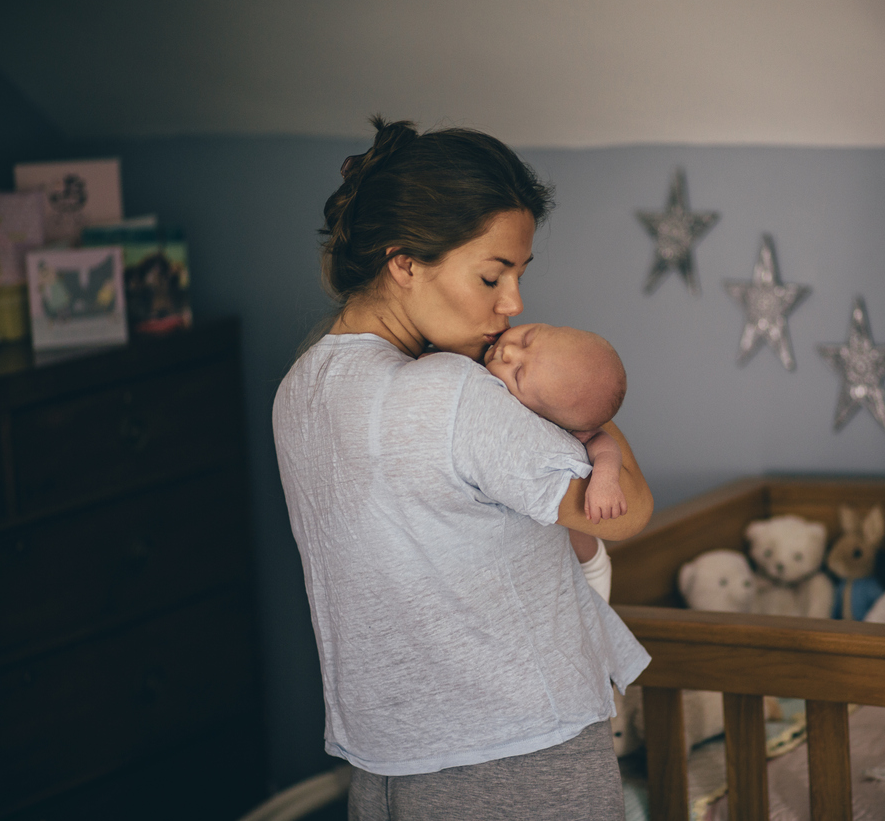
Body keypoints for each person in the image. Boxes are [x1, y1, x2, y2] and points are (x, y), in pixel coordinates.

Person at [272, 116, 653, 821]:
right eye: (491, 274)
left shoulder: (298, 391)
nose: (512, 305)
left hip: (385, 762)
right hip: (524, 753)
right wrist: (588, 414)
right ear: (406, 262)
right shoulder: (451, 392)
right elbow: (625, 513)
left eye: (517, 275)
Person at [482, 322, 630, 603]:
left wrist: (605, 479)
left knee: (593, 617)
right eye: (527, 338)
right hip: (533, 553)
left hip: (587, 562)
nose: (509, 351)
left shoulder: (564, 427)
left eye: (518, 374)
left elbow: (603, 444)